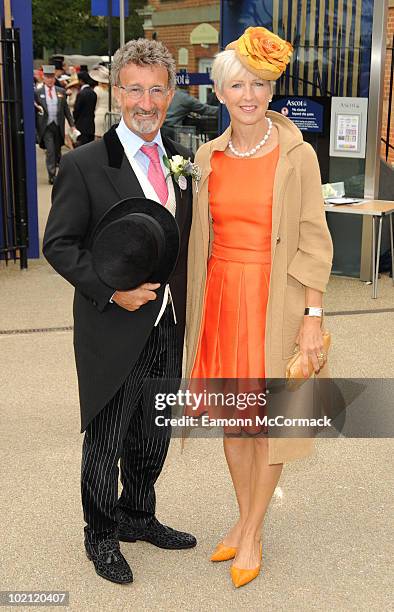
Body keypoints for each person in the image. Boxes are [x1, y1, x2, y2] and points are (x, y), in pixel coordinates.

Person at [43, 38, 195, 585]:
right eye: (134, 89)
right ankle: (100, 534)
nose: (146, 101)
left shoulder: (182, 158)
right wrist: (112, 292)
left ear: (171, 92)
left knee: (152, 432)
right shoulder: (86, 164)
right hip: (113, 325)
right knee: (107, 437)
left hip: (167, 323)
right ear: (116, 91)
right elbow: (58, 245)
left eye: (157, 90)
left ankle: (138, 514)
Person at [185, 26, 333, 588]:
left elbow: (315, 240)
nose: (249, 95)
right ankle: (245, 519)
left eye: (260, 85)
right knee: (233, 423)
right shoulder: (207, 157)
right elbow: (200, 237)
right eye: (238, 85)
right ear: (219, 93)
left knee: (267, 425)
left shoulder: (297, 155)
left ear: (272, 92)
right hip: (222, 298)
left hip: (275, 301)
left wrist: (312, 320)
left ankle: (250, 531)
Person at [34, 65, 76, 184]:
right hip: (46, 126)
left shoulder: (60, 91)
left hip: (58, 125)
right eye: (47, 77)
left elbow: (66, 110)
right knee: (51, 150)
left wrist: (72, 125)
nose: (50, 79)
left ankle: (57, 171)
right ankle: (52, 175)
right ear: (43, 78)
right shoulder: (38, 92)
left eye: (52, 77)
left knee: (57, 150)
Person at [88, 64, 120, 138]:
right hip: (110, 114)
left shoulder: (96, 89)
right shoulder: (113, 90)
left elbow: (95, 103)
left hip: (99, 114)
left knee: (98, 138)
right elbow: (116, 104)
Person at [73, 71, 97, 146]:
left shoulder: (81, 93)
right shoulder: (93, 93)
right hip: (91, 124)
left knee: (81, 147)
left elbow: (77, 110)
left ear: (81, 80)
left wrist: (74, 120)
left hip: (81, 124)